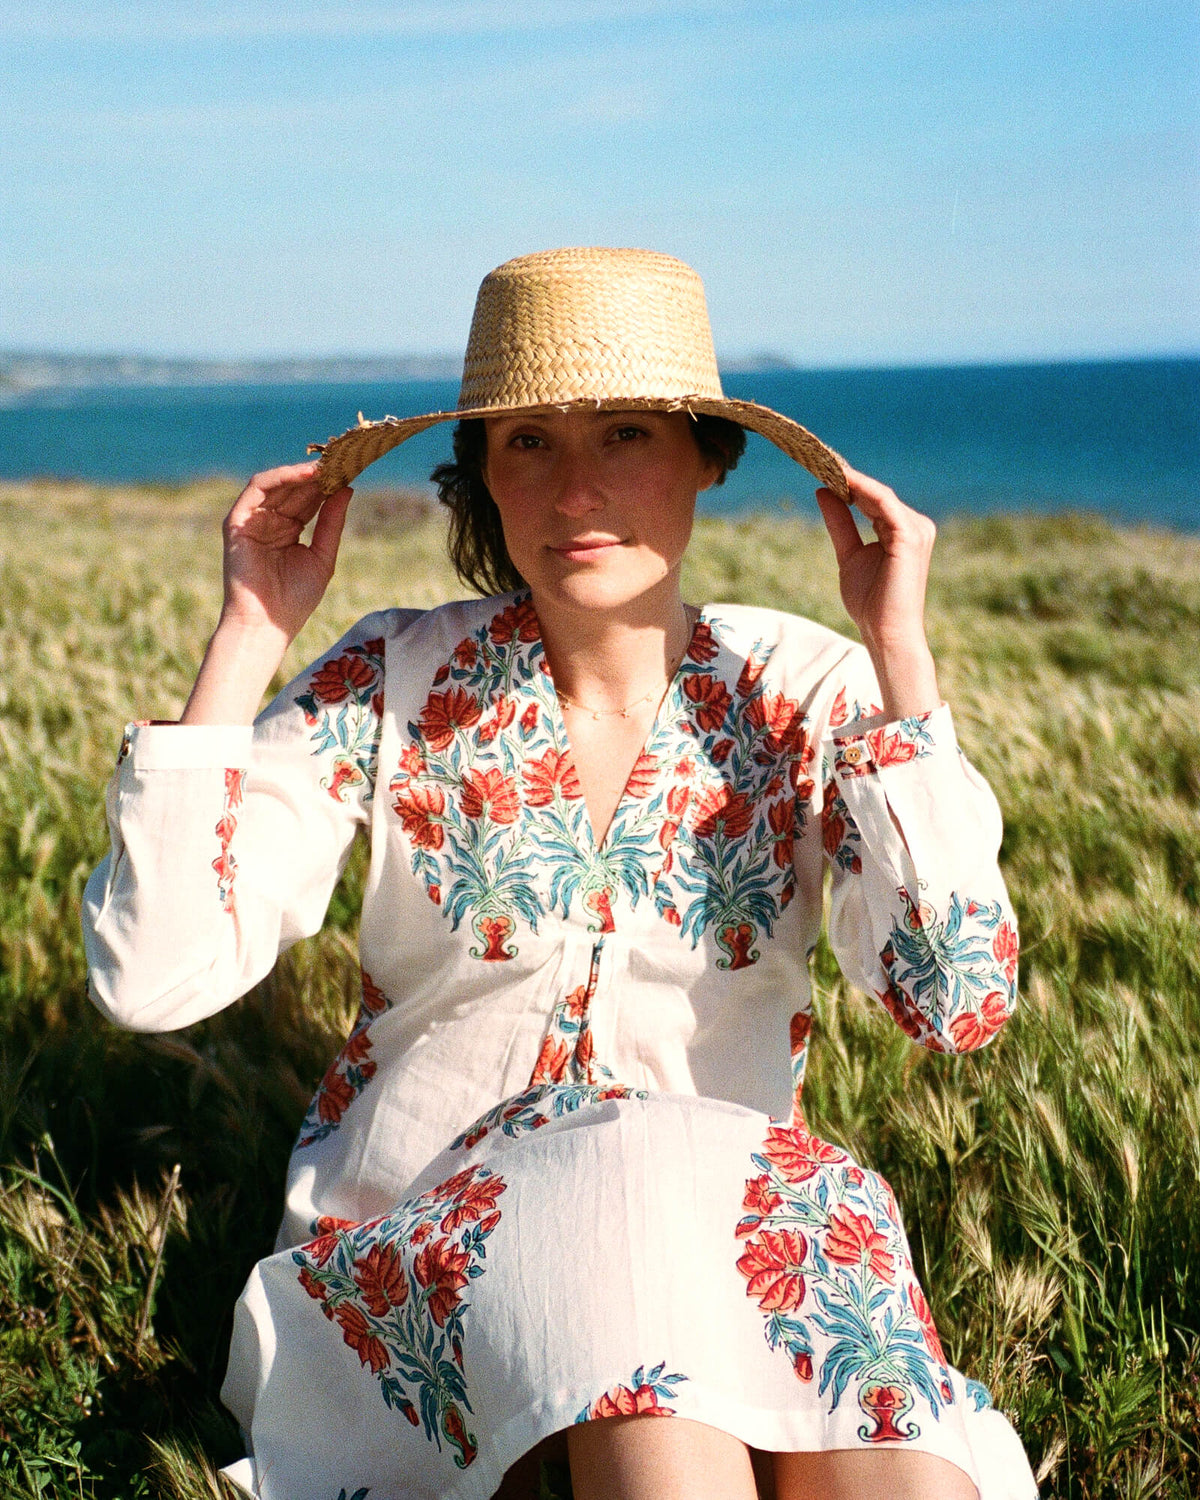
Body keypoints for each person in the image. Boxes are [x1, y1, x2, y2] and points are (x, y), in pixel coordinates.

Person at [83, 247, 1037, 1500]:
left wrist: (899, 656)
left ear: (708, 456)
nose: (576, 489)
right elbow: (154, 981)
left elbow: (957, 1002)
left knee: (888, 1465)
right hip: (439, 1244)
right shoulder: (392, 681)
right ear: (481, 469)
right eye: (529, 441)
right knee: (656, 1371)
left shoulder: (809, 693)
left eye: (628, 434)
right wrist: (251, 631)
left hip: (733, 1228)